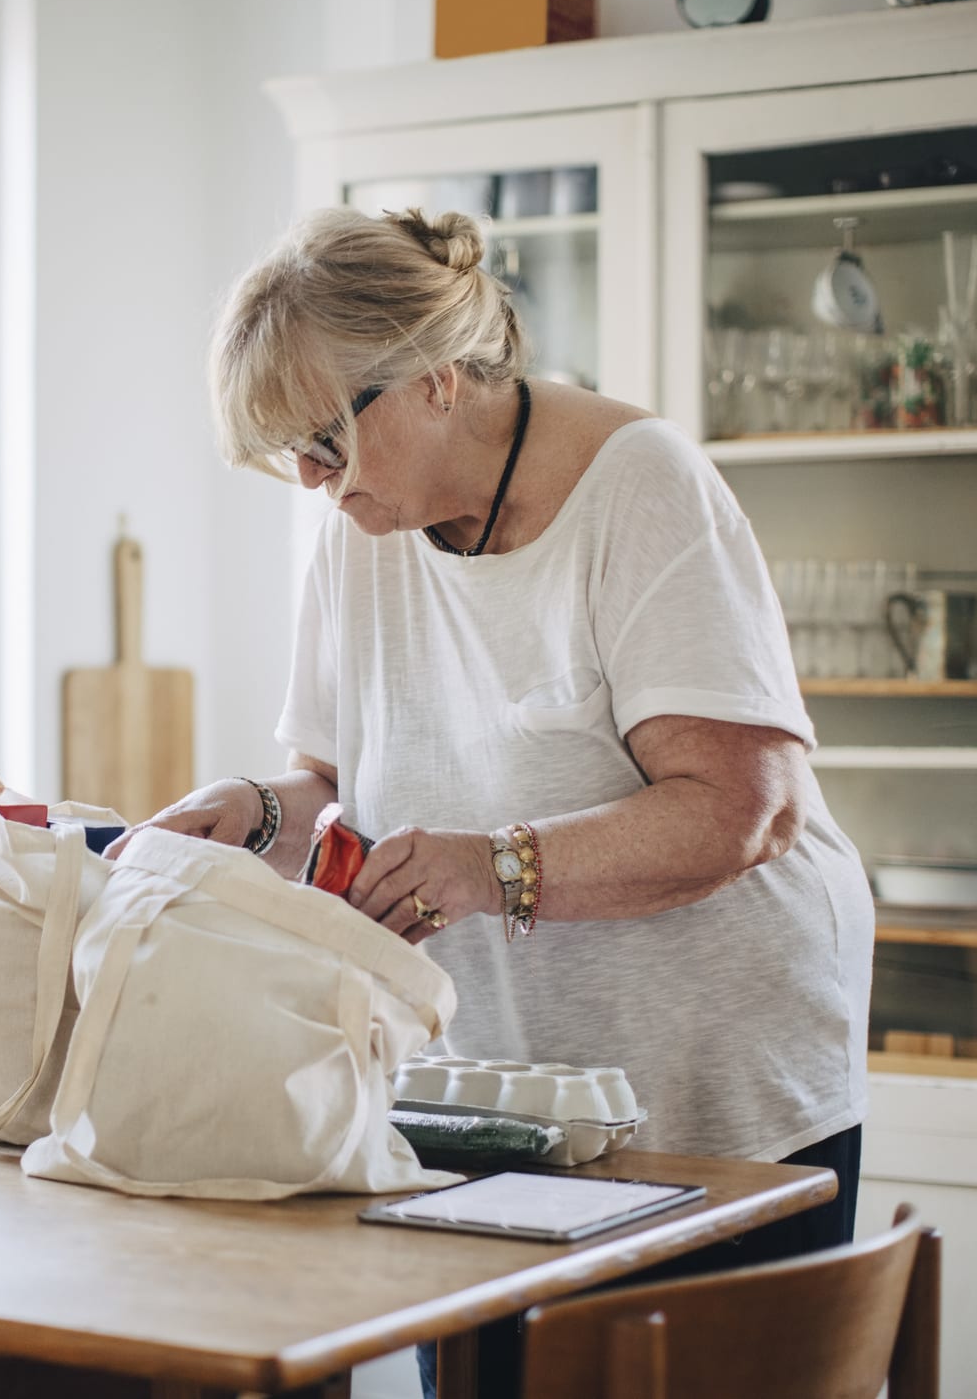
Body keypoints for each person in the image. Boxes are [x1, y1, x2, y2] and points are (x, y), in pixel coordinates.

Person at [107, 207, 873, 1395]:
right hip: (502, 1098)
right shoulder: (362, 531)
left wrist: (491, 864)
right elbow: (339, 786)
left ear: (434, 381)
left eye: (322, 440)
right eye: (287, 457)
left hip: (720, 1092)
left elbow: (741, 806)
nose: (313, 483)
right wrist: (258, 810)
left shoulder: (640, 489)